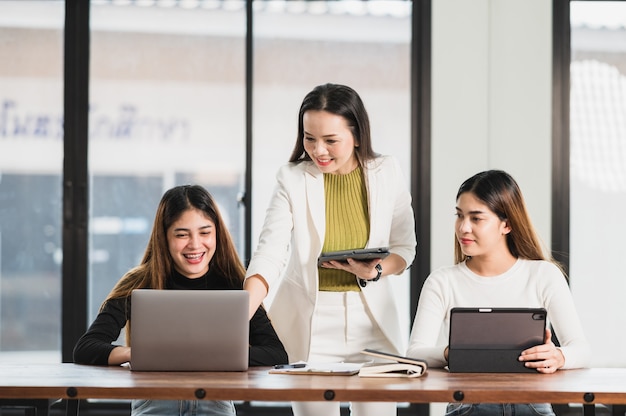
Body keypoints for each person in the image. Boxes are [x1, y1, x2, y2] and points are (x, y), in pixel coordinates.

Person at [244, 83, 417, 416]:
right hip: (311, 322)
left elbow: (404, 247)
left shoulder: (387, 171)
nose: (318, 150)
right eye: (310, 138)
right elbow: (270, 252)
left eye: (331, 140)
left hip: (372, 322)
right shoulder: (291, 178)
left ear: (357, 134)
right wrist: (240, 315)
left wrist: (376, 270)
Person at [73, 185, 288, 416]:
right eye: (182, 234)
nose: (195, 244)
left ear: (217, 234)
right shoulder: (140, 282)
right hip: (154, 404)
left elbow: (276, 353)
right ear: (164, 237)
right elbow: (85, 348)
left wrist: (221, 357)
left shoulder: (235, 283)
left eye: (205, 232)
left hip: (215, 403)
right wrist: (135, 354)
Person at [407, 170, 592, 416]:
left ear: (507, 224)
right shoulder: (442, 282)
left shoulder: (543, 275)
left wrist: (558, 356)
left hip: (533, 407)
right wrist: (453, 354)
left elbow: (582, 349)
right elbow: (414, 355)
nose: (463, 227)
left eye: (476, 218)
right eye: (459, 215)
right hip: (467, 407)